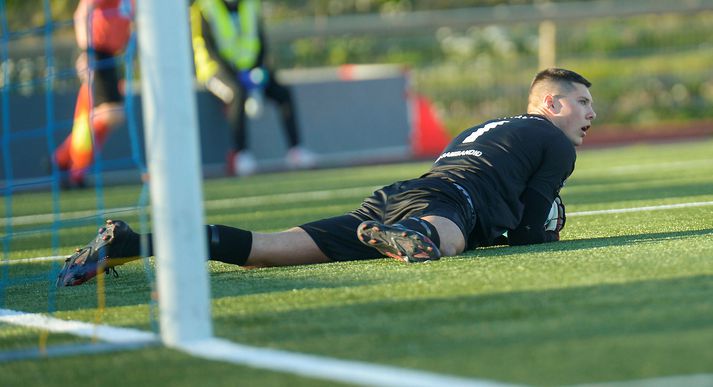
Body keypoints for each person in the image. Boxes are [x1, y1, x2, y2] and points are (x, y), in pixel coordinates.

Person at [56, 68, 596, 287]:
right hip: (447, 200)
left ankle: (132, 242)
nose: (590, 114)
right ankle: (417, 239)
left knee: (269, 248)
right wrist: (550, 225)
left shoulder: (484, 126)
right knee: (444, 239)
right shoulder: (553, 140)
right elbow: (526, 231)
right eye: (582, 102)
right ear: (551, 103)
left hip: (395, 197)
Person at [189, 0, 315, 176]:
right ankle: (241, 154)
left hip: (248, 70)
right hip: (215, 72)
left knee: (282, 93)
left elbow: (260, 40)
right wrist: (237, 77)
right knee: (237, 93)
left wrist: (256, 71)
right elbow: (209, 48)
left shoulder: (250, 4)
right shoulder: (204, 7)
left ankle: (295, 150)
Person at [52, 0, 133, 188]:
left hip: (111, 57)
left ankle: (68, 164)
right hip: (95, 54)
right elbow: (82, 14)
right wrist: (87, 52)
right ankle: (66, 161)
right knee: (112, 114)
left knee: (97, 115)